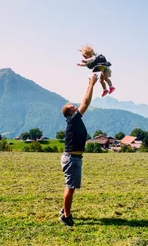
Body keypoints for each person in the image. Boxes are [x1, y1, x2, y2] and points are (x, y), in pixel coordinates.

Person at [59, 74, 98, 227]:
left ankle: (64, 210)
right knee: (70, 187)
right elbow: (85, 102)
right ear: (70, 112)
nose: (75, 107)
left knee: (70, 186)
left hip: (73, 158)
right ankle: (66, 216)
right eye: (72, 107)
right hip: (72, 159)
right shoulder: (73, 119)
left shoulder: (73, 120)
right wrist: (91, 84)